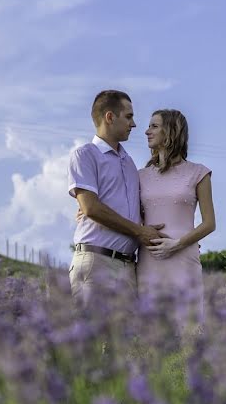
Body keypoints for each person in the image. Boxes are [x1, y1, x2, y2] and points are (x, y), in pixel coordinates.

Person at [68, 90, 167, 306]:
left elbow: (137, 208)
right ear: (110, 117)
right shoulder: (84, 154)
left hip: (128, 267)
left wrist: (181, 237)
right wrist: (139, 231)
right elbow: (91, 208)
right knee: (92, 338)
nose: (134, 125)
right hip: (96, 262)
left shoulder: (130, 163)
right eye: (129, 117)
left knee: (124, 339)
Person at [138, 109, 216, 327]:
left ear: (171, 131)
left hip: (184, 258)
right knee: (151, 331)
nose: (146, 131)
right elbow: (129, 216)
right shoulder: (139, 176)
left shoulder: (199, 173)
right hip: (149, 258)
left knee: (187, 329)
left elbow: (210, 223)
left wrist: (176, 244)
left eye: (154, 126)